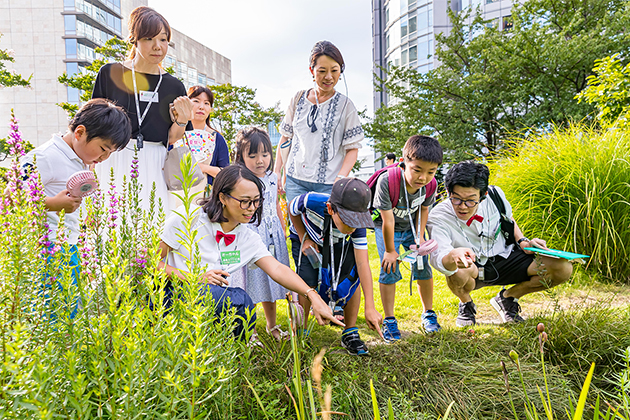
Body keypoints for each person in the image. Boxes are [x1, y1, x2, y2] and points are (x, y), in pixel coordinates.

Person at [158, 165, 343, 338]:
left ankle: (227, 356)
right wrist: (194, 278)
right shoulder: (189, 218)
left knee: (236, 302)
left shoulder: (247, 237)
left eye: (256, 201)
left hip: (209, 303)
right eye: (245, 202)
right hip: (173, 297)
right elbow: (146, 260)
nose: (253, 208)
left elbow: (277, 269)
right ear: (222, 197)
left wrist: (313, 295)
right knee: (236, 300)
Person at [20, 98, 132, 318]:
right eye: (102, 149)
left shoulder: (79, 158)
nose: (104, 157)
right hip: (44, 249)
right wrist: (53, 204)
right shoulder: (45, 156)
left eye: (110, 153)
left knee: (68, 313)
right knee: (45, 314)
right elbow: (10, 198)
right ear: (80, 132)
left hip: (68, 247)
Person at [427, 161, 574, 326]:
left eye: (470, 201)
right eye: (456, 199)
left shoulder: (495, 195)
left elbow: (508, 217)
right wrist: (453, 256)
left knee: (563, 267)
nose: (463, 207)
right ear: (448, 192)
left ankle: (507, 298)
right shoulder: (438, 216)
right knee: (456, 269)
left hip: (505, 256)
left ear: (484, 196)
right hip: (472, 268)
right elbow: (440, 256)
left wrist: (523, 240)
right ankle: (466, 303)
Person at [92, 6, 193, 214]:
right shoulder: (110, 73)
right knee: (111, 221)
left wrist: (182, 121)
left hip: (155, 161)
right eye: (149, 39)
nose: (157, 46)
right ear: (134, 40)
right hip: (114, 157)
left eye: (163, 40)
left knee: (153, 224)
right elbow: (94, 124)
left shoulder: (174, 86)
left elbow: (171, 138)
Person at [289, 177, 384, 355]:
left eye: (357, 222)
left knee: (351, 275)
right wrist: (304, 237)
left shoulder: (356, 226)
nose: (353, 228)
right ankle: (301, 332)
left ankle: (350, 331)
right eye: (348, 221)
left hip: (337, 241)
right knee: (307, 279)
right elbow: (291, 209)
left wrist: (370, 306)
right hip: (308, 238)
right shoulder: (311, 201)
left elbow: (363, 263)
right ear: (331, 209)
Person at [275, 40, 364, 204]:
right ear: (312, 70)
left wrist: (340, 178)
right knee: (297, 229)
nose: (329, 77)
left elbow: (352, 148)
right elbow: (285, 137)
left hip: (329, 184)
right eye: (322, 71)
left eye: (334, 71)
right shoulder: (297, 99)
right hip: (295, 180)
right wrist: (277, 172)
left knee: (323, 228)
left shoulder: (346, 106)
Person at [373, 135, 443, 340]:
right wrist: (390, 251)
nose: (423, 177)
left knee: (423, 267)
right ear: (404, 164)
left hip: (413, 229)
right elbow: (388, 221)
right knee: (389, 269)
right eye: (417, 170)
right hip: (388, 228)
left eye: (431, 172)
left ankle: (428, 314)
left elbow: (424, 210)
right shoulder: (387, 182)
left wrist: (420, 238)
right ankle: (390, 319)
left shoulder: (431, 185)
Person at [229, 127, 289, 340]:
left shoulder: (273, 178)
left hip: (273, 235)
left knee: (271, 281)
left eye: (265, 154)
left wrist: (282, 229)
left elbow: (274, 204)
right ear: (241, 156)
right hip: (250, 234)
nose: (260, 160)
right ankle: (250, 330)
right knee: (251, 283)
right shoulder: (240, 179)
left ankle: (272, 326)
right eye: (252, 155)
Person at [169, 85, 229, 208]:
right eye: (196, 101)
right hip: (174, 197)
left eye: (207, 103)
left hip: (205, 201)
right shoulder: (173, 134)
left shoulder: (217, 138)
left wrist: (202, 168)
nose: (201, 106)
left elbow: (225, 174)